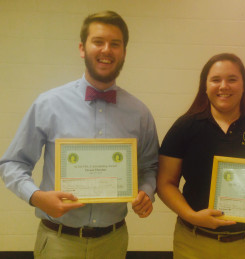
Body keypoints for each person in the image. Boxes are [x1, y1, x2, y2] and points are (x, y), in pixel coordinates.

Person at [0, 11, 159, 259]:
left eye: (115, 44)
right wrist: (37, 197)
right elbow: (12, 164)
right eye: (98, 41)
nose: (106, 50)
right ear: (82, 48)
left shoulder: (140, 113)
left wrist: (146, 192)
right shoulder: (49, 104)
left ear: (124, 52)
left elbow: (150, 166)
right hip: (57, 242)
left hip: (113, 242)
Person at [157, 53, 245, 259]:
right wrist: (192, 216)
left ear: (243, 86)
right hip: (193, 243)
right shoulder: (185, 127)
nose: (224, 86)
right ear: (205, 86)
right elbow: (165, 182)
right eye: (216, 80)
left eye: (232, 79)